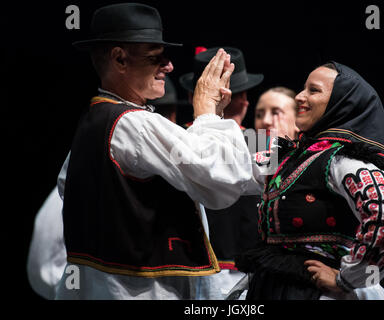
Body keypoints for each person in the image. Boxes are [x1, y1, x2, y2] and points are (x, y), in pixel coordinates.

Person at [54, 3, 253, 300]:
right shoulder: (133, 124)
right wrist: (207, 111)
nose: (169, 66)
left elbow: (65, 185)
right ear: (120, 59)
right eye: (155, 57)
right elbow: (221, 181)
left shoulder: (96, 119)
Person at [235, 61, 384, 300]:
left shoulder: (345, 160)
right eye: (302, 89)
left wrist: (346, 279)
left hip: (312, 291)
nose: (299, 97)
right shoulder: (285, 157)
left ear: (341, 101)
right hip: (272, 286)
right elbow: (228, 168)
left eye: (313, 90)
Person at [26, 75, 185, 300]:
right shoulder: (91, 172)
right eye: (158, 117)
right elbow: (44, 251)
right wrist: (73, 290)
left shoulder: (178, 182)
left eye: (167, 117)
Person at [178, 47, 264, 299]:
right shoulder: (262, 144)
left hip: (193, 272)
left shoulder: (175, 140)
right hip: (253, 275)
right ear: (244, 98)